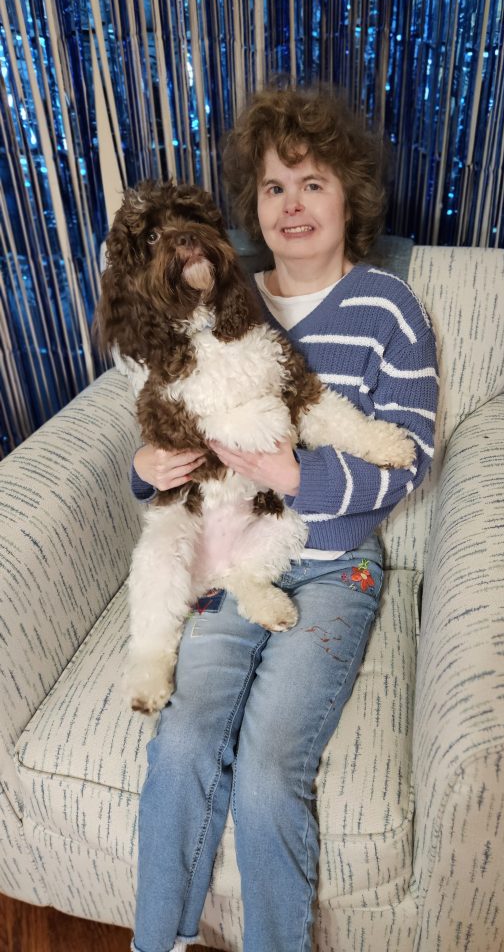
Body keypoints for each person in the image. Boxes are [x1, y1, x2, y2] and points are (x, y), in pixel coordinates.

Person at [129, 85, 438, 952]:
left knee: (267, 775)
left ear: (350, 197)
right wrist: (144, 468)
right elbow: (165, 410)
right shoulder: (218, 295)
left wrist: (297, 476)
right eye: (273, 188)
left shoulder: (388, 309)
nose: (292, 205)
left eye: (312, 183)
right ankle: (162, 944)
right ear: (251, 207)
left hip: (335, 566)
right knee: (183, 742)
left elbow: (409, 454)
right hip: (229, 562)